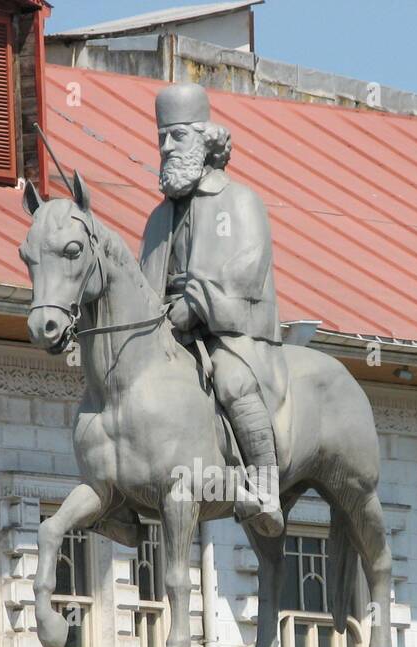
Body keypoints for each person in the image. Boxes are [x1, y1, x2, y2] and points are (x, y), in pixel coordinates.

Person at [139, 83, 288, 537]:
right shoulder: (158, 219)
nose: (166, 146)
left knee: (231, 380)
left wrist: (195, 305)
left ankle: (265, 488)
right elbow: (144, 281)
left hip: (230, 331)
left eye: (178, 135)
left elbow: (246, 269)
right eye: (162, 136)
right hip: (171, 332)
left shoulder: (239, 201)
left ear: (206, 140)